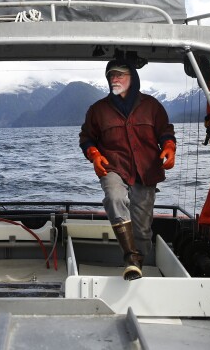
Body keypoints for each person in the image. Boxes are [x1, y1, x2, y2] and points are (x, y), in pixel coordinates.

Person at [79, 59, 176, 280]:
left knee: (142, 230)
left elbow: (165, 131)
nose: (115, 79)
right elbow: (86, 138)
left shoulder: (152, 106)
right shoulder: (97, 110)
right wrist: (94, 155)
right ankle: (131, 257)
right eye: (111, 75)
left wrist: (169, 146)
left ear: (132, 77)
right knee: (114, 197)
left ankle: (137, 264)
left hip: (146, 170)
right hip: (113, 166)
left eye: (120, 75)